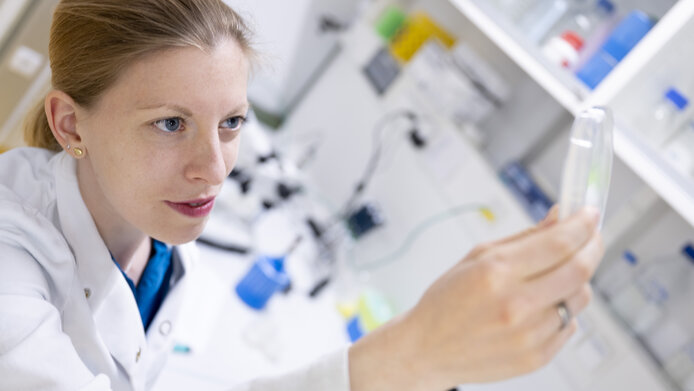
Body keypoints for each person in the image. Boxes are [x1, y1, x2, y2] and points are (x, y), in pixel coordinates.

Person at [0, 0, 604, 390]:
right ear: (71, 124)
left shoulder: (157, 236)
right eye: (170, 124)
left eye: (231, 122)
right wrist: (411, 354)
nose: (213, 169)